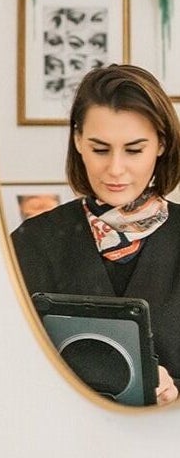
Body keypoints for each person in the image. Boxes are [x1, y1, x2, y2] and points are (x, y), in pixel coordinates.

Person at [12, 63, 180, 406]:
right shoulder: (33, 241)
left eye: (134, 150)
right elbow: (2, 365)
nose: (115, 168)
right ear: (77, 141)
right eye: (100, 149)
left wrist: (173, 390)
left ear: (161, 144)